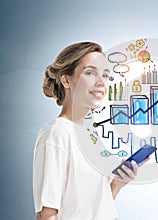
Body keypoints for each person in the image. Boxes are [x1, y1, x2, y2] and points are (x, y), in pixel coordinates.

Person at [33, 42, 139, 220]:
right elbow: (47, 214)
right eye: (90, 73)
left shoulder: (89, 137)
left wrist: (117, 184)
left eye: (105, 75)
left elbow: (95, 211)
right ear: (66, 80)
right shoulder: (56, 133)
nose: (101, 82)